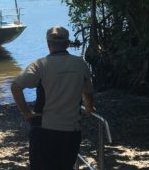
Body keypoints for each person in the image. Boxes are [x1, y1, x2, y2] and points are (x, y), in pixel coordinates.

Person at [11, 26, 94, 170]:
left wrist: (26, 113)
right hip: (71, 130)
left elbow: (16, 86)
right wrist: (88, 108)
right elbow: (88, 92)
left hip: (44, 130)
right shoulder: (81, 64)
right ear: (67, 43)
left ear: (48, 43)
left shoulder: (40, 65)